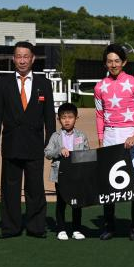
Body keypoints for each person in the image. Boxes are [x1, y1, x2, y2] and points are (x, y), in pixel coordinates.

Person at [0, 41, 55, 239]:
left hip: (35, 143)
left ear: (33, 58)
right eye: (19, 56)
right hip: (11, 142)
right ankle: (10, 227)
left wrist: (50, 141)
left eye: (26, 56)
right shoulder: (3, 83)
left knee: (35, 187)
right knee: (10, 187)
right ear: (13, 59)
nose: (23, 60)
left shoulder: (44, 83)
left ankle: (36, 227)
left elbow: (49, 116)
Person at [94, 44, 134, 241]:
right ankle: (109, 226)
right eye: (110, 61)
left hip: (129, 134)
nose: (113, 64)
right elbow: (99, 114)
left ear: (124, 62)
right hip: (109, 135)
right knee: (109, 181)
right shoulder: (100, 87)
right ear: (105, 63)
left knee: (133, 179)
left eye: (117, 61)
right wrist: (100, 138)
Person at [44, 102, 89, 241]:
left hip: (76, 174)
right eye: (63, 117)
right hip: (60, 174)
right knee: (61, 202)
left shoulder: (82, 135)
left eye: (70, 117)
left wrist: (79, 154)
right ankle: (61, 229)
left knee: (77, 203)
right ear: (59, 119)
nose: (67, 120)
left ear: (76, 118)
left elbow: (88, 154)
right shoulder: (55, 136)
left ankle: (76, 229)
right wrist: (59, 151)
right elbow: (47, 153)